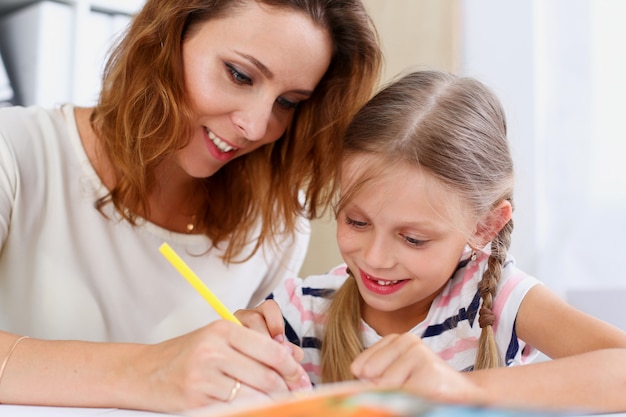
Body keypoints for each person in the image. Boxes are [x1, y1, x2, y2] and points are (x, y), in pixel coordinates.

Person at [0, 0, 382, 412]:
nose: (256, 126)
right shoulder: (16, 152)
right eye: (239, 75)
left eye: (287, 102)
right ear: (168, 35)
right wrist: (148, 372)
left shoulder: (275, 226)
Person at [251, 69, 626, 411]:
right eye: (356, 221)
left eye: (413, 239)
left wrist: (461, 388)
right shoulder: (299, 313)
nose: (375, 257)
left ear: (484, 227)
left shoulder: (492, 299)